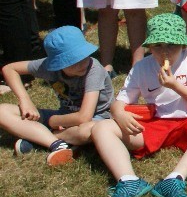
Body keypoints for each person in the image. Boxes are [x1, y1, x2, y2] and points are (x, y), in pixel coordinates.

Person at [91, 13, 187, 197]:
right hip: (156, 123)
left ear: (183, 45)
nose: (164, 52)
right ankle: (129, 181)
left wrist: (176, 86)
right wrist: (119, 113)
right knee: (101, 128)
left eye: (171, 45)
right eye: (157, 46)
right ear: (149, 47)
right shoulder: (142, 67)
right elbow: (120, 102)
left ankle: (175, 179)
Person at [0, 26, 113, 165]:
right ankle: (57, 143)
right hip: (65, 115)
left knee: (88, 131)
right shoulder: (47, 66)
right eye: (73, 61)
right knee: (2, 111)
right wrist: (25, 100)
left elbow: (84, 117)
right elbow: (9, 69)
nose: (82, 64)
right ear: (57, 63)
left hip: (96, 118)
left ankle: (43, 137)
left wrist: (54, 121)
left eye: (84, 56)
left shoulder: (94, 69)